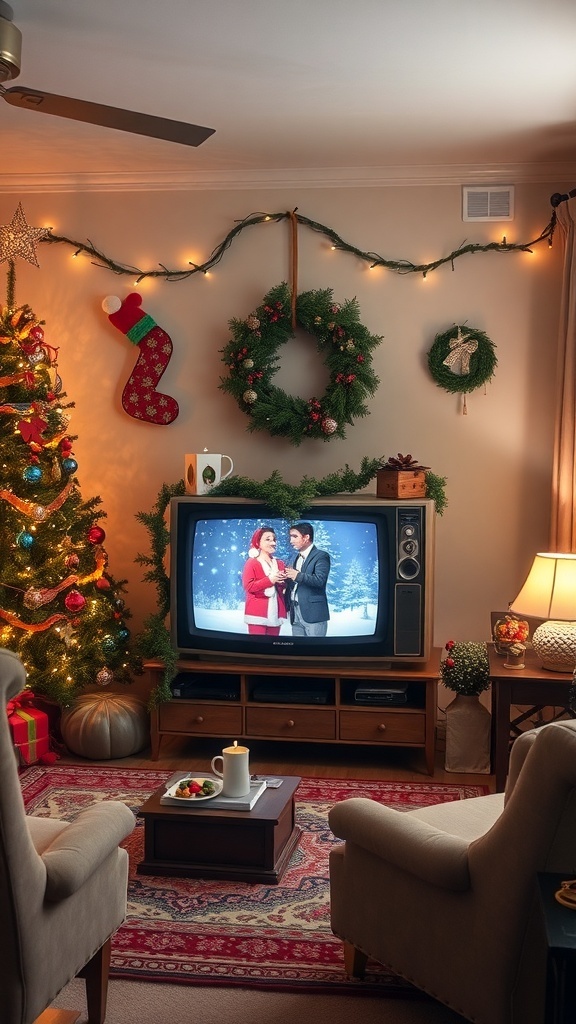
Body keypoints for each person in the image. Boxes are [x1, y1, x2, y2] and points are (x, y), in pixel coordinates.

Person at [284, 522, 330, 637]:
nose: (291, 540)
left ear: (306, 537)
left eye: (294, 536)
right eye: (290, 536)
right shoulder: (297, 557)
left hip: (313, 614)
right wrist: (286, 578)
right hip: (295, 612)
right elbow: (297, 583)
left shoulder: (321, 556)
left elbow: (320, 580)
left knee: (314, 648)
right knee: (297, 648)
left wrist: (297, 575)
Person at [242, 527, 287, 635]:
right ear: (258, 542)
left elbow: (281, 589)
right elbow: (249, 586)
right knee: (257, 645)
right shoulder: (252, 562)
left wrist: (283, 583)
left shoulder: (279, 563)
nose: (273, 543)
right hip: (257, 614)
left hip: (276, 613)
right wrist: (270, 580)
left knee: (274, 645)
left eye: (274, 539)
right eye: (268, 539)